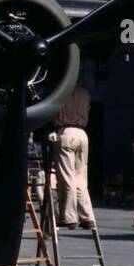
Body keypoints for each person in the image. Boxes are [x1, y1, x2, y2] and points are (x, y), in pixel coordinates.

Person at [54, 84, 95, 230]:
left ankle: (69, 217)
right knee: (81, 178)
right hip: (82, 135)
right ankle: (87, 217)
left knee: (67, 177)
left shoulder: (62, 90)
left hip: (66, 132)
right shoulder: (85, 92)